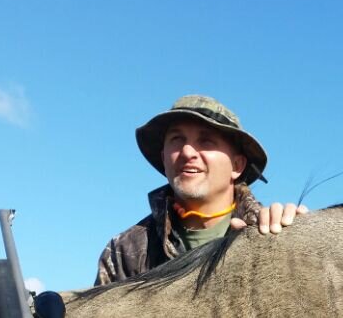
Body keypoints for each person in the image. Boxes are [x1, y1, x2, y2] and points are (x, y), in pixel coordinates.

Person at [95, 95, 307, 285]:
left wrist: (298, 236)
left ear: (237, 166)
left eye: (206, 141)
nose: (187, 152)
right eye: (177, 140)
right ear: (163, 158)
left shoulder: (271, 231)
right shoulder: (124, 251)